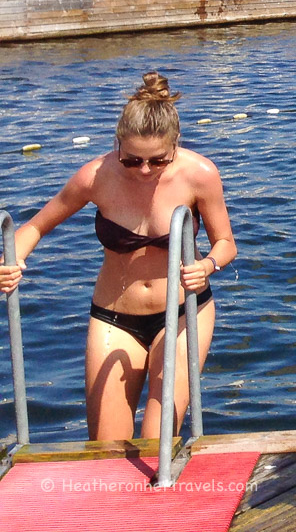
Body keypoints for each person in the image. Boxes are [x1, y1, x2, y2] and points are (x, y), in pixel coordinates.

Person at [0, 72, 235, 440]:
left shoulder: (200, 175)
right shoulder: (95, 176)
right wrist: (11, 261)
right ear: (117, 145)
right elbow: (34, 227)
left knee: (157, 443)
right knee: (106, 449)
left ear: (175, 145)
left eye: (158, 161)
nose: (144, 170)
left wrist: (207, 266)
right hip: (113, 317)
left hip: (183, 313)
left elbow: (226, 243)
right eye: (132, 161)